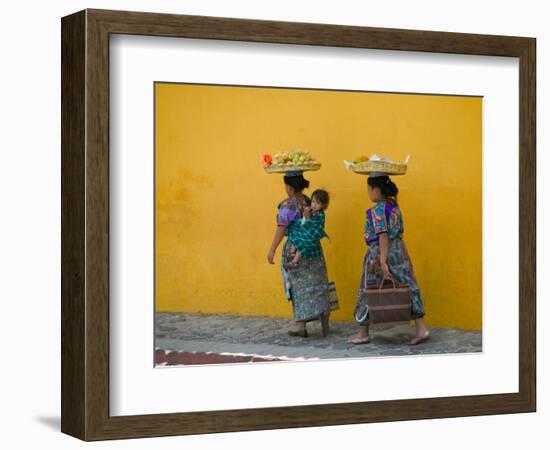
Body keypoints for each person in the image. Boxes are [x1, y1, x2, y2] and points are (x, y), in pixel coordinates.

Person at [347, 173, 430, 345]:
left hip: (380, 253)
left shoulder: (378, 210)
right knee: (408, 286)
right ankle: (421, 329)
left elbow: (382, 236)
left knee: (368, 289)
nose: (368, 192)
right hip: (399, 251)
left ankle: (363, 333)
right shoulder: (393, 205)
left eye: (369, 188)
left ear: (376, 189)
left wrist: (383, 261)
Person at [267, 172, 331, 337]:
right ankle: (325, 319)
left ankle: (301, 326)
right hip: (313, 247)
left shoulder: (287, 206)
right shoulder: (311, 201)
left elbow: (281, 228)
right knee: (318, 282)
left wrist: (272, 249)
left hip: (295, 246)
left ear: (289, 187)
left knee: (298, 286)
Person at [284, 189, 330, 269]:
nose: (314, 205)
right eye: (313, 201)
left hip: (313, 233)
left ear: (323, 205)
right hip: (307, 229)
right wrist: (305, 213)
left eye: (318, 203)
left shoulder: (320, 215)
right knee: (296, 231)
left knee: (303, 241)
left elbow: (314, 226)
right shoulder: (310, 210)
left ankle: (294, 262)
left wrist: (307, 218)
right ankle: (292, 252)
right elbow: (304, 220)